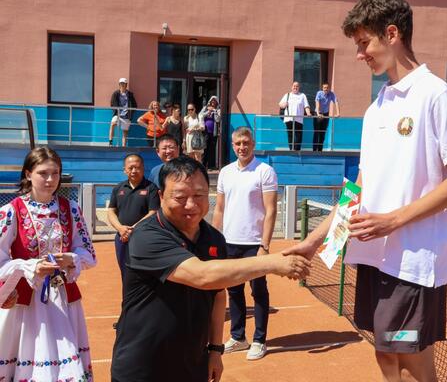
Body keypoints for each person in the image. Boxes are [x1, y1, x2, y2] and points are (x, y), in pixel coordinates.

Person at [284, 0, 447, 382]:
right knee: (386, 355)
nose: (360, 54)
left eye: (363, 43)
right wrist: (315, 241)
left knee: (411, 362)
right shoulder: (377, 109)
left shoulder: (436, 95)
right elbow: (359, 189)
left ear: (392, 34)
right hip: (374, 259)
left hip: (412, 265)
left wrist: (393, 220)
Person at [110, 156, 310, 382]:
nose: (191, 205)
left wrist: (215, 350)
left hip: (193, 364)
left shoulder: (214, 238)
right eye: (180, 197)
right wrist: (272, 262)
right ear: (160, 196)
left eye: (199, 195)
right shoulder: (147, 235)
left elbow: (216, 294)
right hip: (143, 366)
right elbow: (202, 275)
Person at [0, 148, 97, 381]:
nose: (51, 179)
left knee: (65, 360)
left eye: (55, 173)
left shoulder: (71, 209)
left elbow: (88, 253)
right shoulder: (11, 211)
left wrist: (71, 259)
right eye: (43, 173)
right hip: (26, 302)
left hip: (63, 299)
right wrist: (29, 266)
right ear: (28, 174)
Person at [212, 127, 278, 361]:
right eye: (238, 143)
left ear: (253, 143)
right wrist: (214, 239)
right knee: (234, 290)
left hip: (254, 244)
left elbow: (271, 210)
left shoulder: (265, 171)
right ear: (232, 145)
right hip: (229, 242)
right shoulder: (225, 172)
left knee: (258, 291)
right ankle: (238, 337)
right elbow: (219, 208)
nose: (242, 147)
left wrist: (265, 245)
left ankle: (259, 340)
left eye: (246, 142)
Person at [107, 154, 160, 284]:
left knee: (143, 272)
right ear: (125, 170)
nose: (134, 171)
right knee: (124, 271)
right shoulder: (118, 188)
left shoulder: (151, 188)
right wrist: (120, 229)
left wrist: (132, 229)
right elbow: (111, 211)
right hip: (122, 237)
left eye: (137, 167)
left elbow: (153, 212)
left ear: (143, 168)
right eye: (130, 168)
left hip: (143, 237)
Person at [279, 81, 311, 151]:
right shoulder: (287, 95)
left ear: (299, 87)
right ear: (291, 87)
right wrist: (283, 105)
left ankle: (297, 150)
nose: (295, 87)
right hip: (289, 118)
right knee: (290, 135)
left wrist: (308, 113)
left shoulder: (302, 95)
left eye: (297, 86)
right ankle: (291, 150)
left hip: (298, 119)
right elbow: (280, 104)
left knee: (298, 135)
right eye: (294, 86)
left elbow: (306, 106)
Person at [109, 77, 138, 147]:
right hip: (117, 114)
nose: (123, 85)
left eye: (124, 84)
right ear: (119, 84)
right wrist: (116, 111)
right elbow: (112, 103)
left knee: (125, 132)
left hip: (126, 115)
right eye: (121, 84)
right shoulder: (116, 93)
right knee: (112, 124)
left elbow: (135, 105)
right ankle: (110, 142)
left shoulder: (130, 94)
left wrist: (131, 112)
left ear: (126, 85)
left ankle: (123, 146)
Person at [313, 82, 340, 152]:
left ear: (329, 88)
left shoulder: (331, 94)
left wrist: (338, 113)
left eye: (327, 88)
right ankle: (314, 150)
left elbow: (336, 102)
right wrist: (318, 113)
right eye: (324, 88)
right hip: (317, 113)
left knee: (323, 132)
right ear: (322, 88)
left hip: (325, 114)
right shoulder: (319, 93)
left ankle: (320, 150)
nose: (326, 89)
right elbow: (317, 103)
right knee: (316, 132)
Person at [199, 96, 221, 170]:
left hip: (213, 132)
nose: (213, 103)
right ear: (210, 101)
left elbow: (218, 120)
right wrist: (208, 111)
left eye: (215, 101)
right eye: (212, 101)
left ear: (217, 103)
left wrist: (214, 111)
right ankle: (203, 165)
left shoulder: (218, 110)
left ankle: (211, 165)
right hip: (205, 132)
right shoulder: (205, 108)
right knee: (205, 148)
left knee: (212, 149)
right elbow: (200, 115)